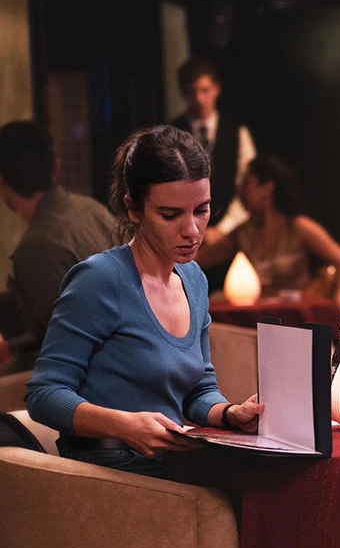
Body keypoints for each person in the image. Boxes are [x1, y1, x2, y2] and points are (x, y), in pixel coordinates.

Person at [25, 125, 263, 478]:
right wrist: (124, 425)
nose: (192, 230)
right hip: (110, 474)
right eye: (170, 215)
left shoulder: (193, 279)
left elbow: (199, 389)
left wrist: (229, 414)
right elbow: (44, 394)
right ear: (133, 209)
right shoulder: (99, 280)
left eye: (201, 210)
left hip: (171, 464)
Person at [0, 120, 116, 375]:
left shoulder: (35, 248)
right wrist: (15, 346)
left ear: (2, 181)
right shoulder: (92, 208)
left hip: (101, 377)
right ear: (56, 165)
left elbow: (71, 346)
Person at [196, 153, 340, 310]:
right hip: (260, 315)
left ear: (267, 188)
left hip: (296, 314)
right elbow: (198, 260)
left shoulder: (298, 226)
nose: (239, 192)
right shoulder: (243, 233)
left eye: (246, 184)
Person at [170, 55, 257, 290]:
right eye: (192, 92)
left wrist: (223, 229)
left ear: (216, 89)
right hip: (182, 236)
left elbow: (247, 189)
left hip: (226, 237)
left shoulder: (237, 133)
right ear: (183, 93)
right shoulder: (171, 133)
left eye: (205, 90)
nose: (199, 98)